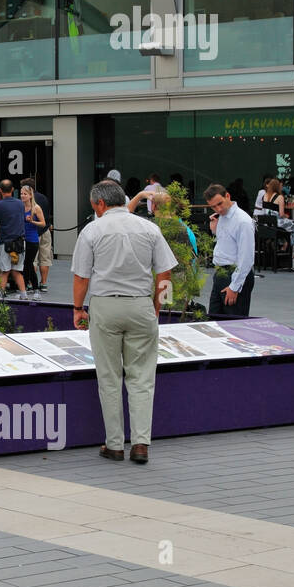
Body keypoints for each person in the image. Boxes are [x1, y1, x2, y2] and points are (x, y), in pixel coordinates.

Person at [72, 179, 177, 465]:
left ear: (101, 204)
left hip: (105, 305)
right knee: (142, 378)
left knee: (109, 377)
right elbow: (165, 273)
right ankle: (141, 444)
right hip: (142, 305)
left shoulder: (92, 230)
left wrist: (78, 309)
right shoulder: (149, 228)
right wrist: (158, 308)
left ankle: (115, 444)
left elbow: (82, 277)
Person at [205, 182, 255, 316]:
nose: (218, 209)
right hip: (220, 273)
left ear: (227, 196)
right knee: (214, 323)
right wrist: (215, 231)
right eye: (213, 206)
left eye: (220, 203)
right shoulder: (221, 217)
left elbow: (247, 258)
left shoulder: (243, 221)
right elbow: (227, 244)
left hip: (235, 275)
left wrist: (235, 286)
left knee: (234, 325)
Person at [0, 179, 27, 297]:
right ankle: (24, 295)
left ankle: (0, 296)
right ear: (12, 190)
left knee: (5, 271)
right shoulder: (20, 203)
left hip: (5, 242)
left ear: (0, 190)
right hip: (20, 242)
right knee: (17, 271)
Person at [255, 177, 294, 257]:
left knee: (285, 228)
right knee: (293, 223)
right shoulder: (280, 197)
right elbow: (281, 214)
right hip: (277, 224)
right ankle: (290, 245)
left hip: (267, 224)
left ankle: (284, 243)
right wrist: (287, 215)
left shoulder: (265, 195)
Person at [21, 176, 52, 290]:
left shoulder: (31, 204)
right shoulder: (44, 198)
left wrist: (32, 221)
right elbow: (47, 215)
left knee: (32, 261)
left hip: (33, 233)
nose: (22, 195)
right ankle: (43, 283)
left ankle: (29, 283)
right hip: (45, 232)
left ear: (30, 192)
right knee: (45, 258)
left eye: (24, 192)